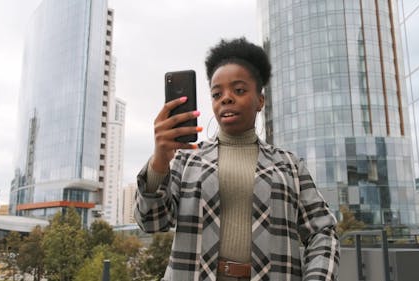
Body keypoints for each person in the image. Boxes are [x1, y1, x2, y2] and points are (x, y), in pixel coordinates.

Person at [135, 37, 340, 281]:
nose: (226, 98)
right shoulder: (187, 160)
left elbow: (323, 230)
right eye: (216, 93)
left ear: (260, 101)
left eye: (239, 90)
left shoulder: (290, 165)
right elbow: (151, 223)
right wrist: (159, 159)